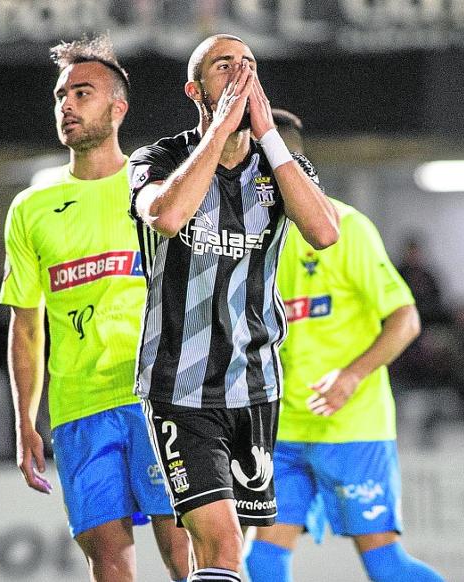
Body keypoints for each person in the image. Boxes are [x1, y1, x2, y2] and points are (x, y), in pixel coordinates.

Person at [129, 35, 339, 582]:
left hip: (255, 384)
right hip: (180, 386)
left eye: (250, 66)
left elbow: (324, 232)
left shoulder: (283, 166)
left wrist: (268, 134)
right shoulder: (158, 159)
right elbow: (167, 216)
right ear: (195, 90)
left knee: (228, 555)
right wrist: (220, 129)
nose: (242, 76)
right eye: (225, 66)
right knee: (220, 545)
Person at [0, 35, 191, 582]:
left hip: (159, 396)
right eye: (61, 95)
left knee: (185, 553)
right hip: (79, 409)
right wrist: (25, 421)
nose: (67, 105)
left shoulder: (153, 189)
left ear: (117, 107)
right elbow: (26, 326)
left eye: (82, 93)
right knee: (107, 561)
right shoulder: (31, 208)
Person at [244, 109, 443, 582]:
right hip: (283, 428)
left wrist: (351, 376)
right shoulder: (249, 239)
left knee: (384, 564)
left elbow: (406, 320)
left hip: (351, 425)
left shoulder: (346, 227)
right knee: (261, 559)